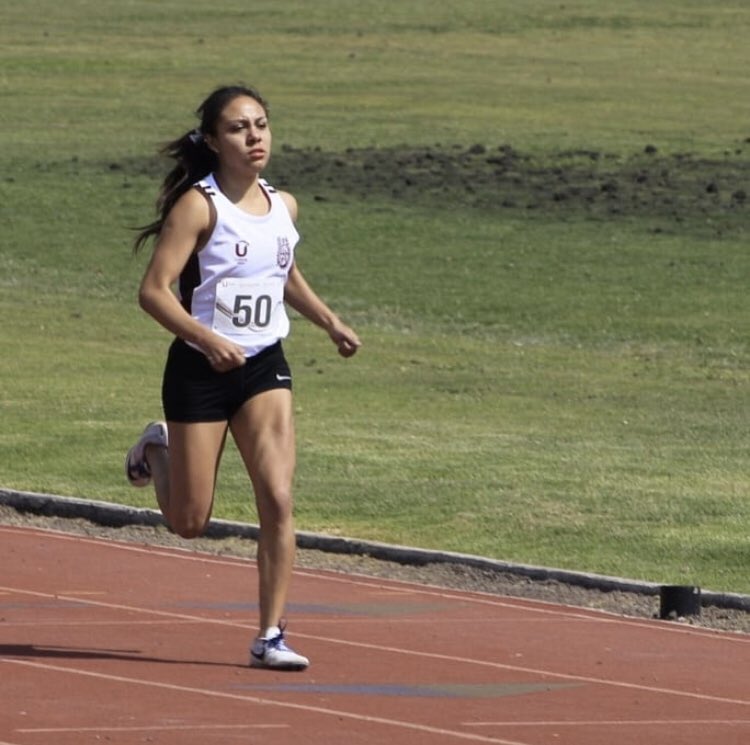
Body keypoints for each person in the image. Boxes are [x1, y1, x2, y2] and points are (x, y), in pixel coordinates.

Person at [124, 84, 361, 671]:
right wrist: (207, 339)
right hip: (199, 369)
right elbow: (153, 293)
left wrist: (330, 322)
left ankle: (270, 635)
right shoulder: (197, 207)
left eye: (261, 124)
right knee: (189, 521)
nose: (255, 137)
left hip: (263, 366)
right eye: (238, 128)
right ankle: (157, 449)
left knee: (278, 497)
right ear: (212, 141)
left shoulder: (285, 205)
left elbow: (281, 270)